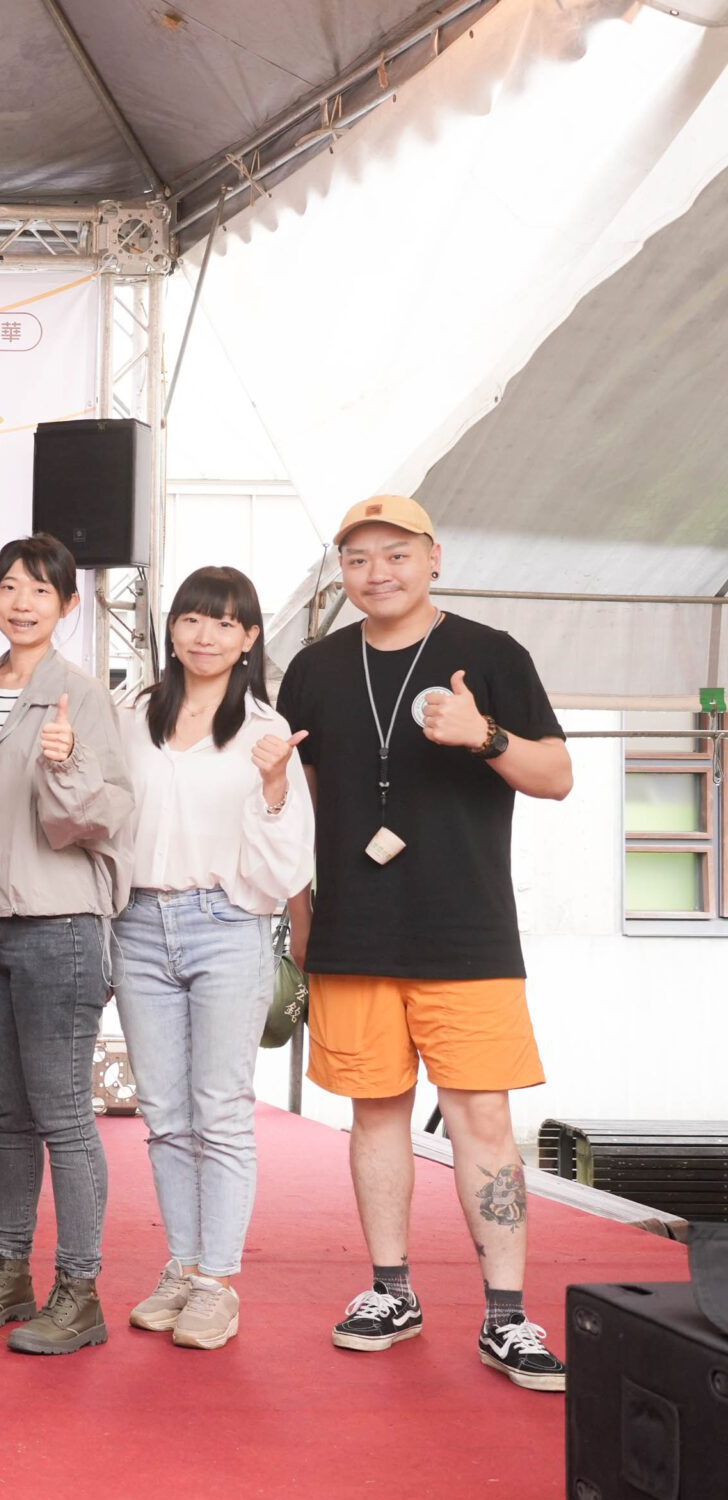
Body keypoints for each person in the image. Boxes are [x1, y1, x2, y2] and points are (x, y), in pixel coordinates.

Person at [276, 495, 572, 1391]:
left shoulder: (491, 654)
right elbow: (296, 809)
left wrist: (483, 735)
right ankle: (390, 1291)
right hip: (352, 932)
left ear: (434, 556)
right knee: (374, 1114)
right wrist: (301, 916)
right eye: (358, 558)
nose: (378, 572)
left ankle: (507, 1314)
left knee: (484, 1119)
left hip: (467, 932)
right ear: (342, 571)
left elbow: (557, 774)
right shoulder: (315, 668)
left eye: (396, 553)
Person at [0, 534, 134, 1357]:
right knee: (6, 1115)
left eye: (41, 590)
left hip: (59, 927)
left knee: (64, 1116)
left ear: (69, 605)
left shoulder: (80, 696)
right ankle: (9, 1271)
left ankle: (79, 1290)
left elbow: (104, 815)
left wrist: (68, 761)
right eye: (10, 586)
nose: (22, 602)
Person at [112, 566, 315, 1352]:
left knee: (220, 1108)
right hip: (138, 921)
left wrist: (273, 785)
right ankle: (185, 1263)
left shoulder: (266, 728)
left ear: (250, 638)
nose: (205, 635)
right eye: (193, 618)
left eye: (226, 623)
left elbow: (288, 866)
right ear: (171, 628)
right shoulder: (133, 712)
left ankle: (217, 1282)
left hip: (227, 924)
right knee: (164, 1112)